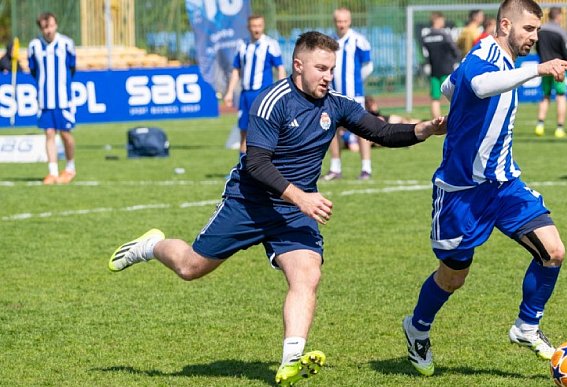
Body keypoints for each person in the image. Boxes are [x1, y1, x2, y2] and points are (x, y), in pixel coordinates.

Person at [107, 31, 445, 387]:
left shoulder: (337, 103)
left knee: (307, 275)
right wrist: (301, 197)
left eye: (332, 68)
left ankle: (291, 360)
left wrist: (423, 129)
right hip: (250, 203)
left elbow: (380, 132)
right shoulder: (272, 102)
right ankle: (149, 246)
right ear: (298, 65)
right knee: (191, 267)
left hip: (294, 212)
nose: (328, 76)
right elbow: (256, 162)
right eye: (321, 68)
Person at [401, 0, 567, 377]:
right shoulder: (486, 51)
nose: (534, 37)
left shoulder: (504, 59)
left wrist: (458, 105)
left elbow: (451, 85)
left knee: (553, 251)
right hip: (462, 191)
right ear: (506, 24)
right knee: (453, 277)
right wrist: (538, 69)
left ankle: (526, 326)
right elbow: (477, 83)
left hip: (504, 185)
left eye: (537, 31)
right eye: (528, 29)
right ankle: (417, 327)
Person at [223, 14, 286, 156]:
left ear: (263, 26)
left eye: (259, 26)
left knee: (265, 131)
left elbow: (280, 68)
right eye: (253, 26)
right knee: (243, 131)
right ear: (248, 27)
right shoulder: (242, 45)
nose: (256, 29)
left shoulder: (270, 44)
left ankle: (267, 167)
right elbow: (236, 70)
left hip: (262, 94)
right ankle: (243, 169)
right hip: (246, 95)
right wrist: (229, 92)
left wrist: (281, 91)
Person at [323, 7, 374, 181]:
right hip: (333, 95)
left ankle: (366, 168)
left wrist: (358, 82)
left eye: (344, 21)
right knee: (332, 130)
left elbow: (368, 66)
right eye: (339, 21)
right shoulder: (329, 42)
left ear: (350, 21)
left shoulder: (359, 40)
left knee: (361, 130)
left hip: (354, 95)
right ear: (334, 22)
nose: (341, 24)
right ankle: (335, 168)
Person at [28, 12, 77, 185]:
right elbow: (34, 70)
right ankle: (53, 172)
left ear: (56, 25)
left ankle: (70, 167)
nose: (48, 30)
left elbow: (72, 67)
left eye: (51, 26)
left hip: (64, 98)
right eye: (44, 27)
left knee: (65, 133)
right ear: (41, 29)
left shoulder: (66, 44)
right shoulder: (34, 46)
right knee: (49, 133)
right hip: (44, 98)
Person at [534, 7, 567, 138]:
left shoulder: (541, 31)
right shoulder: (561, 32)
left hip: (545, 67)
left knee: (545, 96)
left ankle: (540, 125)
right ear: (558, 17)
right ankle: (560, 128)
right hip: (559, 68)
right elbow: (566, 51)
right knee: (561, 96)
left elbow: (537, 48)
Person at [421, 12, 461, 119]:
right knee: (454, 96)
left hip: (434, 70)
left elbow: (425, 54)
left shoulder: (426, 37)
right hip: (447, 70)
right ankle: (455, 119)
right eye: (442, 20)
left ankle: (436, 122)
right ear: (437, 20)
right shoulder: (444, 35)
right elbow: (455, 50)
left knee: (435, 98)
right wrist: (457, 61)